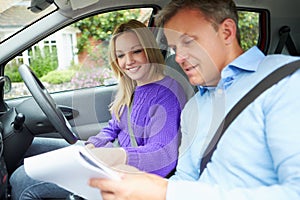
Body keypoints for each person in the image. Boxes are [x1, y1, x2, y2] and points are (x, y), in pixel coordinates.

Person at [88, 0, 300, 200]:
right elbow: (186, 179)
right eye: (174, 49)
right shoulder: (193, 107)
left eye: (188, 42)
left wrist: (164, 192)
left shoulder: (286, 82)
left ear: (226, 32)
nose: (179, 58)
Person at [9, 19, 187, 199]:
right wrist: (93, 144)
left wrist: (110, 156)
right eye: (121, 55)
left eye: (137, 51)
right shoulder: (132, 86)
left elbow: (162, 156)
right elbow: (113, 127)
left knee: (21, 180)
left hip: (127, 173)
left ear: (150, 49)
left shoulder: (167, 94)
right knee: (30, 146)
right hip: (110, 157)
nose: (128, 61)